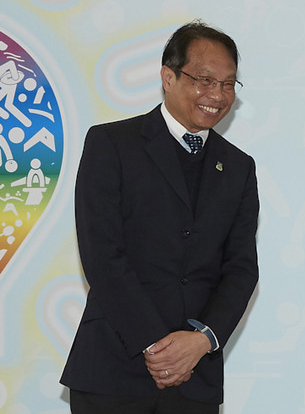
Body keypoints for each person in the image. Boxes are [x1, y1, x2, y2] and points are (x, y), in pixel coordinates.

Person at [61, 21, 259, 413]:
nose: (216, 95)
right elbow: (102, 255)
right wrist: (157, 345)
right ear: (168, 76)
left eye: (228, 84)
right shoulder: (111, 144)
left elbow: (241, 269)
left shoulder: (238, 167)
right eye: (204, 80)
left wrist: (201, 340)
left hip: (195, 378)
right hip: (114, 369)